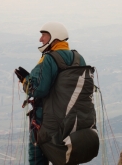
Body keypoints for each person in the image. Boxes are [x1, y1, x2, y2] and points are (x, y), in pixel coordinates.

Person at [15, 22, 99, 165]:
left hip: (46, 123)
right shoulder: (79, 58)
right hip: (72, 123)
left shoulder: (49, 58)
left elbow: (39, 89)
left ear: (55, 37)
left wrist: (25, 82)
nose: (41, 39)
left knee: (36, 158)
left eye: (44, 35)